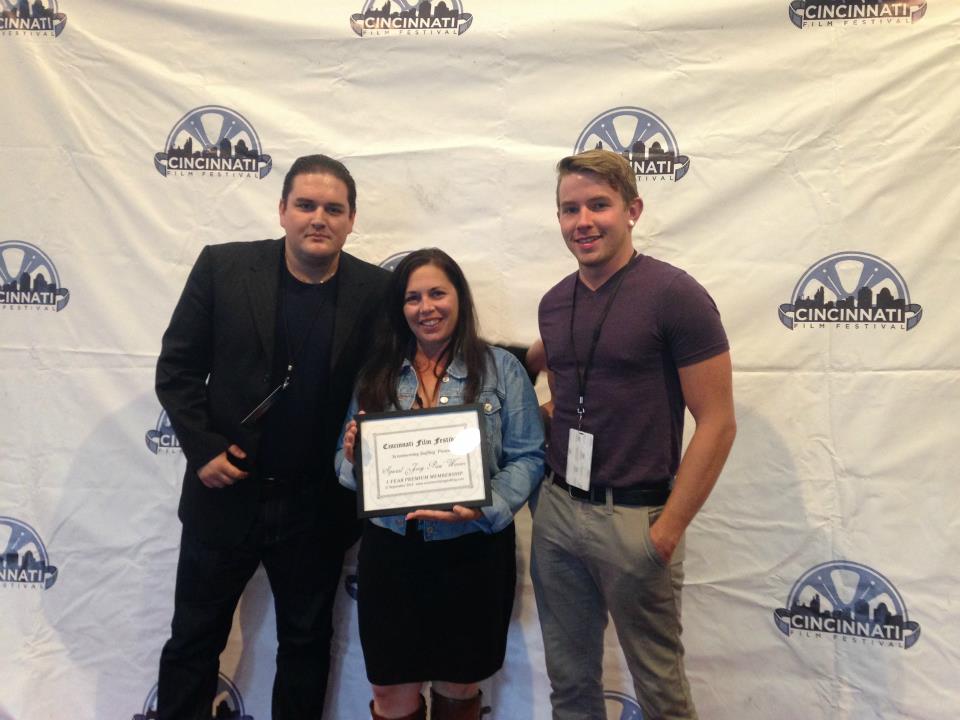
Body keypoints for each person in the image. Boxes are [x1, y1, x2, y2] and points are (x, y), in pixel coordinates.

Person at [154, 154, 390, 720]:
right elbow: (177, 370)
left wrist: (523, 360)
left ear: (352, 220)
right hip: (224, 493)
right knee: (193, 640)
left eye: (333, 209)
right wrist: (203, 448)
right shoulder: (223, 267)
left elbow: (422, 359)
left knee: (306, 646)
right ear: (282, 209)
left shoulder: (378, 289)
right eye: (305, 205)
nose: (319, 218)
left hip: (316, 504)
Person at [530, 149, 736, 720]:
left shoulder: (675, 295)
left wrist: (665, 533)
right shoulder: (554, 303)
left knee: (661, 694)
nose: (583, 221)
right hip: (558, 513)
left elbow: (718, 422)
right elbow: (566, 397)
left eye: (599, 205)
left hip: (637, 519)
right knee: (569, 685)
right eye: (570, 209)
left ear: (633, 210)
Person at [336, 248, 544, 720]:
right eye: (413, 298)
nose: (425, 307)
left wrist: (486, 506)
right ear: (400, 307)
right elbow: (342, 468)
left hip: (471, 553)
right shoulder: (376, 372)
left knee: (459, 683)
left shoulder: (501, 368)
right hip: (392, 552)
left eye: (437, 294)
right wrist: (353, 457)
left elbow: (528, 456)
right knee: (390, 690)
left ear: (459, 298)